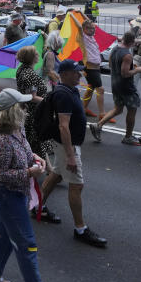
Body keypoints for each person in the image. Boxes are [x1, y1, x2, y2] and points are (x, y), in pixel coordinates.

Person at [0, 88, 49, 282]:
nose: (25, 108)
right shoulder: (0, 140)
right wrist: (30, 172)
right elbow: (0, 174)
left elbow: (25, 149)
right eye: (22, 105)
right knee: (26, 245)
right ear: (12, 110)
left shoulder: (16, 127)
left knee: (5, 235)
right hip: (6, 195)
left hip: (16, 193)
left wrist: (34, 158)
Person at [38, 59, 106, 247]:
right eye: (76, 72)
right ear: (65, 74)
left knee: (57, 175)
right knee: (77, 185)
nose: (80, 74)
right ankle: (80, 229)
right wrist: (70, 156)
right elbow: (63, 126)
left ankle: (38, 207)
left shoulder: (71, 90)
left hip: (66, 145)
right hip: (68, 146)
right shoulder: (64, 95)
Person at [89, 32, 141, 146]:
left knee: (118, 109)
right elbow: (125, 73)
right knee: (132, 109)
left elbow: (110, 64)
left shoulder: (114, 49)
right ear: (132, 43)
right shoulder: (127, 55)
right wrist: (137, 70)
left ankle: (98, 125)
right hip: (126, 86)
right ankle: (128, 137)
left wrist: (127, 66)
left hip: (115, 83)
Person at [80, 19, 107, 122]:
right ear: (85, 29)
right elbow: (80, 26)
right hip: (90, 68)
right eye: (91, 28)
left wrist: (85, 18)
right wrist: (74, 15)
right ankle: (102, 114)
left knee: (91, 88)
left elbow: (86, 21)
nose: (93, 30)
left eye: (93, 28)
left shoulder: (91, 37)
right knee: (100, 89)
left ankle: (83, 109)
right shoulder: (83, 37)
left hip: (95, 67)